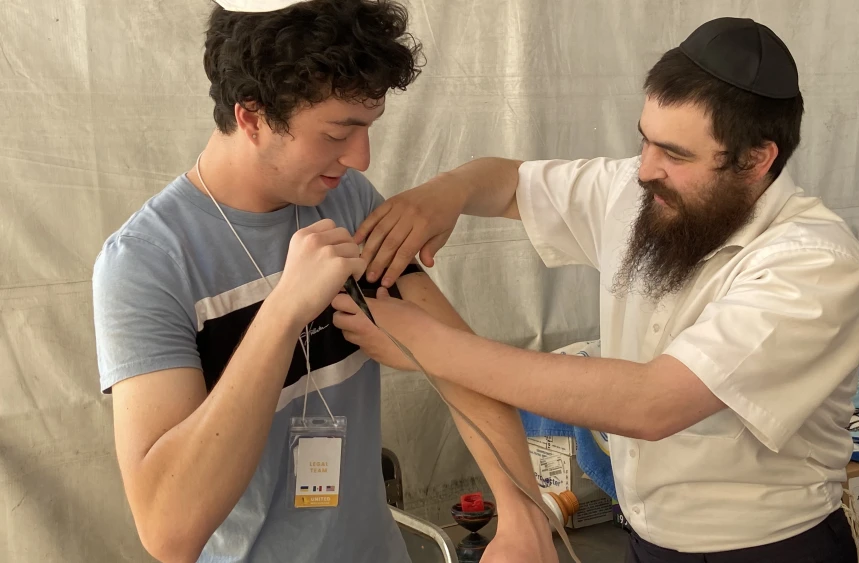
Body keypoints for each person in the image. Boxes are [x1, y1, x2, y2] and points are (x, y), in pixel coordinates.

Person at [333, 17, 859, 563]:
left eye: (676, 155)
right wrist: (444, 194)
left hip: (770, 549)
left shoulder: (813, 264)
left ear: (757, 159)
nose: (645, 170)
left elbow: (653, 403)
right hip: (647, 539)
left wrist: (425, 343)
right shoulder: (638, 192)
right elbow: (507, 183)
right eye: (645, 139)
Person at [91, 1, 556, 562]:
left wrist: (523, 512)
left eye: (367, 128)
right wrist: (284, 311)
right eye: (339, 132)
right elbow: (169, 530)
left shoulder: (345, 203)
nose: (360, 158)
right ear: (253, 117)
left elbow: (460, 361)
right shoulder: (146, 262)